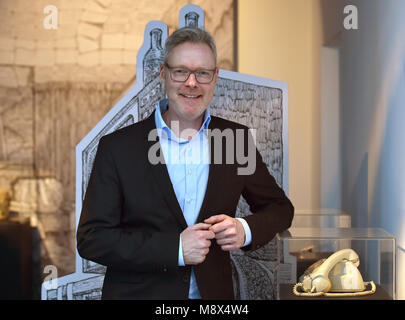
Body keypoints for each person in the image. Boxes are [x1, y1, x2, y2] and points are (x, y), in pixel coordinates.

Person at [76, 26, 294, 300]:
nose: (192, 83)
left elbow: (280, 209)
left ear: (215, 78)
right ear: (164, 74)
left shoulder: (235, 140)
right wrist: (175, 249)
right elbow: (92, 238)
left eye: (202, 73)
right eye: (181, 71)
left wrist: (245, 229)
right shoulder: (118, 147)